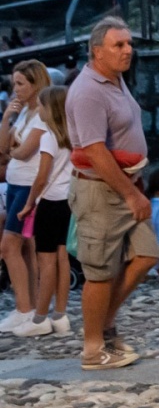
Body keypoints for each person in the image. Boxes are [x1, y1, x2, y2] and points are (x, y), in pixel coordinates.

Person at [65, 19, 159, 370]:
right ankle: (93, 349)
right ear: (97, 52)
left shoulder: (115, 80)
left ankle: (105, 324)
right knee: (99, 271)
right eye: (118, 45)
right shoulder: (88, 91)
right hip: (101, 191)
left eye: (129, 43)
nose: (128, 50)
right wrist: (131, 195)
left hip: (125, 186)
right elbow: (94, 151)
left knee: (147, 254)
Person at [11, 85, 73, 335]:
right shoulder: (73, 134)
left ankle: (39, 319)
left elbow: (41, 177)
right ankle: (61, 314)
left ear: (50, 109)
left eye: (41, 106)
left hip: (49, 202)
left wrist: (29, 204)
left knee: (45, 261)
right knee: (63, 258)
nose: (39, 111)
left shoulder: (49, 137)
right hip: (68, 201)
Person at [0, 59, 48, 331]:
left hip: (30, 187)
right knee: (26, 249)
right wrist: (6, 117)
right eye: (13, 84)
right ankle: (28, 307)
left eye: (20, 83)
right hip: (16, 184)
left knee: (8, 246)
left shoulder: (42, 114)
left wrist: (10, 151)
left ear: (35, 83)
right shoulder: (24, 113)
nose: (15, 89)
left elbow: (24, 151)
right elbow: (3, 147)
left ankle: (24, 309)